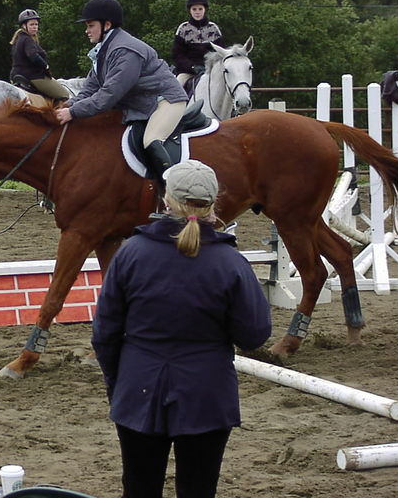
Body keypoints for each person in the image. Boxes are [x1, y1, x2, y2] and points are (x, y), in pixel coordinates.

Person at [91, 159, 272, 498]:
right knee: (199, 489)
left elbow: (104, 333)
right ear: (213, 203)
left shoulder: (130, 253)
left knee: (139, 489)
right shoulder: (231, 262)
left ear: (166, 200)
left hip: (139, 386)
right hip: (207, 392)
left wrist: (119, 383)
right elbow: (254, 334)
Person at [54, 0, 187, 185]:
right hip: (143, 104)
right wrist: (67, 106)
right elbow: (89, 90)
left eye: (90, 25)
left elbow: (109, 95)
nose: (87, 31)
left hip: (166, 100)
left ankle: (171, 192)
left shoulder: (125, 50)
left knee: (151, 139)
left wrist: (73, 112)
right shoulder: (103, 52)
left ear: (107, 25)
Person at [10, 8, 69, 102]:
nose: (35, 27)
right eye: (32, 24)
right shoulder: (27, 39)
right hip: (32, 75)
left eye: (36, 24)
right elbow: (33, 56)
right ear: (24, 25)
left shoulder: (18, 39)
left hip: (15, 74)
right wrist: (46, 66)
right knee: (64, 94)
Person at [171, 0, 225, 87]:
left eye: (200, 9)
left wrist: (210, 67)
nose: (197, 12)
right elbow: (177, 55)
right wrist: (192, 67)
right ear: (190, 11)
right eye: (194, 9)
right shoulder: (183, 28)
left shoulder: (214, 29)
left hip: (211, 71)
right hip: (188, 72)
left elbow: (221, 52)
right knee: (177, 86)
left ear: (205, 10)